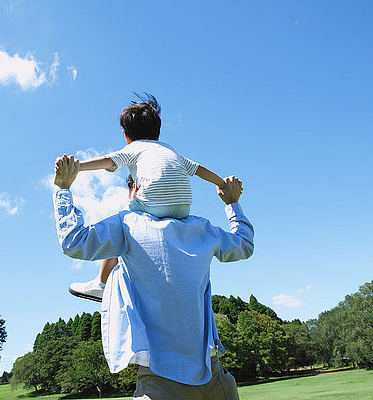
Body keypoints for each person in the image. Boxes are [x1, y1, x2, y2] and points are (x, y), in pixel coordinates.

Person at [53, 154, 254, 400]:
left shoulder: (128, 223)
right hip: (215, 375)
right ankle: (101, 284)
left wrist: (63, 188)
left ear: (138, 190)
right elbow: (244, 244)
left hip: (161, 380)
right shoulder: (202, 229)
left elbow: (74, 241)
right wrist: (232, 203)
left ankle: (101, 285)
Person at [68, 93, 227, 301]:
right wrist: (222, 183)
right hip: (183, 208)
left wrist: (77, 167)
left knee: (121, 226)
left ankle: (101, 282)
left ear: (126, 136)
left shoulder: (134, 148)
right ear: (157, 132)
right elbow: (199, 170)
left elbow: (107, 161)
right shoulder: (171, 151)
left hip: (153, 205)